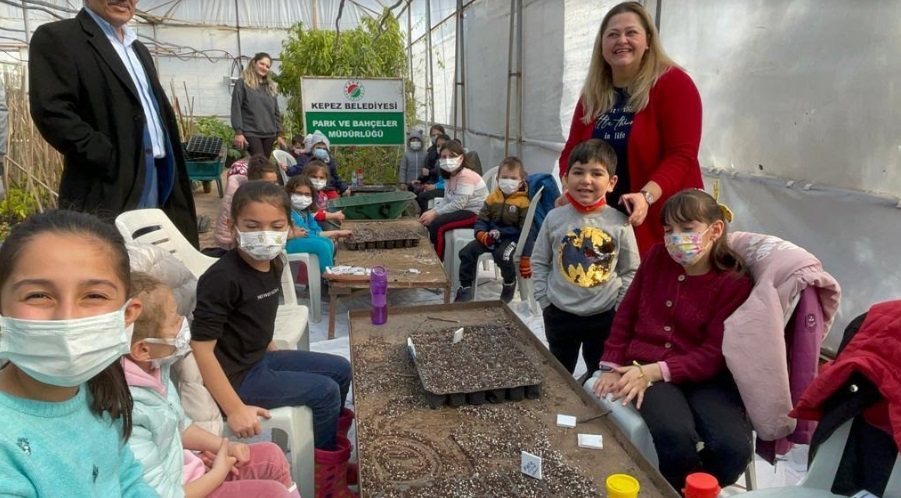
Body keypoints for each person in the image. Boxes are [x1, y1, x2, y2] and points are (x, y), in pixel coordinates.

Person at [190, 181, 355, 494]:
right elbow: (200, 348)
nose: (265, 235)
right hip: (236, 377)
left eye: (276, 226)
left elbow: (255, 313)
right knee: (325, 392)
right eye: (252, 226)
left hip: (259, 358)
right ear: (232, 225)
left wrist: (267, 344)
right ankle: (324, 481)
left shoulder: (275, 261)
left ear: (289, 227)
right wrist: (235, 407)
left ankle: (331, 455)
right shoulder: (221, 278)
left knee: (340, 369)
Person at [591, 189, 753, 490]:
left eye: (687, 229)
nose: (676, 238)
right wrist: (613, 363)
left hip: (704, 377)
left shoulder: (733, 281)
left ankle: (694, 489)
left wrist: (652, 371)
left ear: (715, 230)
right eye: (669, 230)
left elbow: (713, 353)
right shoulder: (657, 258)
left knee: (734, 450)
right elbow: (627, 312)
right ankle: (678, 488)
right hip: (645, 365)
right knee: (674, 435)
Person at [0, 210, 155, 496]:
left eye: (94, 296)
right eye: (38, 295)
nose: (67, 318)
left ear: (127, 314)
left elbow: (127, 477)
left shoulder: (101, 388)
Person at [28, 1, 198, 246]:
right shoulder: (60, 38)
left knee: (156, 257)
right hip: (111, 178)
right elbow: (52, 111)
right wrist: (106, 156)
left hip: (160, 171)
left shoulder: (137, 48)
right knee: (110, 258)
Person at [123, 272, 299, 497]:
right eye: (174, 321)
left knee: (272, 457)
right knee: (272, 493)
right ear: (143, 349)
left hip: (188, 472)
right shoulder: (128, 410)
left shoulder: (155, 369)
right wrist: (216, 474)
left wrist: (221, 446)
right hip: (181, 490)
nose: (183, 324)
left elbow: (178, 425)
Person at [558, 1, 703, 257]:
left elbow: (682, 155)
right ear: (602, 45)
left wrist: (646, 196)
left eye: (631, 32)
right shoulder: (592, 95)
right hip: (602, 223)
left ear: (648, 40)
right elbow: (571, 151)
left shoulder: (673, 84)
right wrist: (569, 188)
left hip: (662, 219)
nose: (621, 40)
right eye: (612, 34)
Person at [532, 139, 639, 375]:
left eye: (596, 173)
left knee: (598, 374)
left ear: (611, 183)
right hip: (559, 313)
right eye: (578, 172)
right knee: (559, 374)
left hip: (604, 316)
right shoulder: (554, 218)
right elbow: (539, 261)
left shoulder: (620, 222)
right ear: (566, 178)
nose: (586, 180)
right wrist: (545, 301)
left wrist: (618, 308)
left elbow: (630, 269)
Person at [455, 157, 530, 304]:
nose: (508, 181)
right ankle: (466, 287)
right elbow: (481, 219)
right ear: (498, 179)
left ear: (521, 181)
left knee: (503, 255)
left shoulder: (523, 202)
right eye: (504, 177)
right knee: (466, 252)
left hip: (512, 238)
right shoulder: (492, 198)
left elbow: (527, 230)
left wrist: (526, 254)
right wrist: (481, 234)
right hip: (490, 236)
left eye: (513, 178)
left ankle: (509, 282)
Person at [418, 140, 488, 261]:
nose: (447, 160)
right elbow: (447, 199)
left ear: (461, 158)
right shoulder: (449, 175)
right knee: (428, 215)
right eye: (444, 157)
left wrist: (435, 214)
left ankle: (438, 261)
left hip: (477, 213)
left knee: (438, 225)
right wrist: (432, 211)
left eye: (452, 156)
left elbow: (458, 204)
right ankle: (437, 250)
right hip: (463, 209)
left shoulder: (466, 176)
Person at [285, 175, 352, 273]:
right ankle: (328, 275)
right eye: (299, 193)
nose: (303, 197)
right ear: (289, 193)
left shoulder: (305, 212)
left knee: (328, 242)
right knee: (322, 246)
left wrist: (335, 233)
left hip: (302, 240)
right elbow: (304, 233)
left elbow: (316, 230)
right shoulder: (290, 212)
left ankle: (325, 272)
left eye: (307, 194)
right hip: (288, 243)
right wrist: (335, 233)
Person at [212, 155, 278, 253]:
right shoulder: (238, 198)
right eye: (268, 183)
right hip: (232, 244)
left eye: (275, 182)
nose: (273, 187)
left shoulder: (257, 191)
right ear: (253, 181)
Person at [230, 52, 285, 157]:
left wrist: (278, 134)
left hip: (269, 133)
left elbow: (276, 112)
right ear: (254, 63)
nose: (264, 67)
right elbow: (236, 108)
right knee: (260, 163)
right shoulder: (242, 83)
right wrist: (238, 132)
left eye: (267, 66)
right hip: (251, 132)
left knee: (262, 165)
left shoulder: (270, 87)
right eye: (262, 64)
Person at [301, 131, 350, 196]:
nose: (321, 150)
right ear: (312, 148)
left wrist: (344, 188)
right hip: (311, 190)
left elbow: (335, 178)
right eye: (318, 148)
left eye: (324, 149)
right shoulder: (306, 159)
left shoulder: (330, 161)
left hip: (329, 190)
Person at [302, 160, 346, 230]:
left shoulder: (323, 195)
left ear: (326, 179)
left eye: (321, 178)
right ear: (306, 177)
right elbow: (314, 215)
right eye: (314, 177)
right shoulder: (307, 196)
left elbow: (323, 211)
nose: (318, 180)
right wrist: (334, 215)